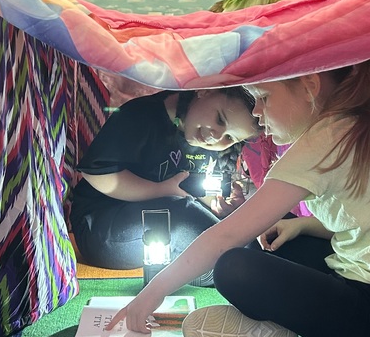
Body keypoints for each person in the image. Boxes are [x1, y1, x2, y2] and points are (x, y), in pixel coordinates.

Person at [107, 61, 370, 337]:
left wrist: (151, 294)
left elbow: (225, 236)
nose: (256, 111)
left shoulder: (324, 141)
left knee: (234, 266)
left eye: (264, 97)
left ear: (309, 86)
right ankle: (276, 324)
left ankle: (272, 329)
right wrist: (301, 225)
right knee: (277, 233)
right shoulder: (350, 127)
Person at [68, 88, 260, 285]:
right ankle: (235, 272)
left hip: (167, 220)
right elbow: (96, 173)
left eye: (229, 138)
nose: (217, 137)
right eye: (219, 119)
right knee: (179, 215)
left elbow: (189, 188)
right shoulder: (141, 115)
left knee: (243, 237)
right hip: (101, 229)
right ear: (205, 91)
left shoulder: (204, 139)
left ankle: (243, 265)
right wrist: (160, 190)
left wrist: (219, 204)